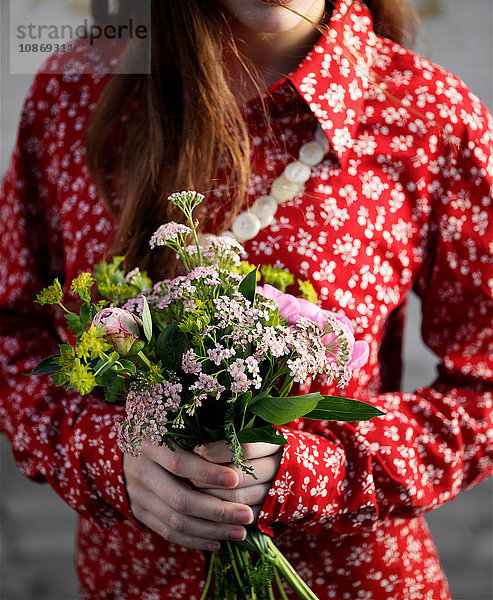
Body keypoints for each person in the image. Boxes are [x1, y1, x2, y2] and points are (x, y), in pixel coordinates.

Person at [1, 0, 492, 598]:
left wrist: (307, 473)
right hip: (132, 582)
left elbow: (484, 389)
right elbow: (14, 331)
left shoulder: (427, 114)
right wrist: (110, 456)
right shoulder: (79, 90)